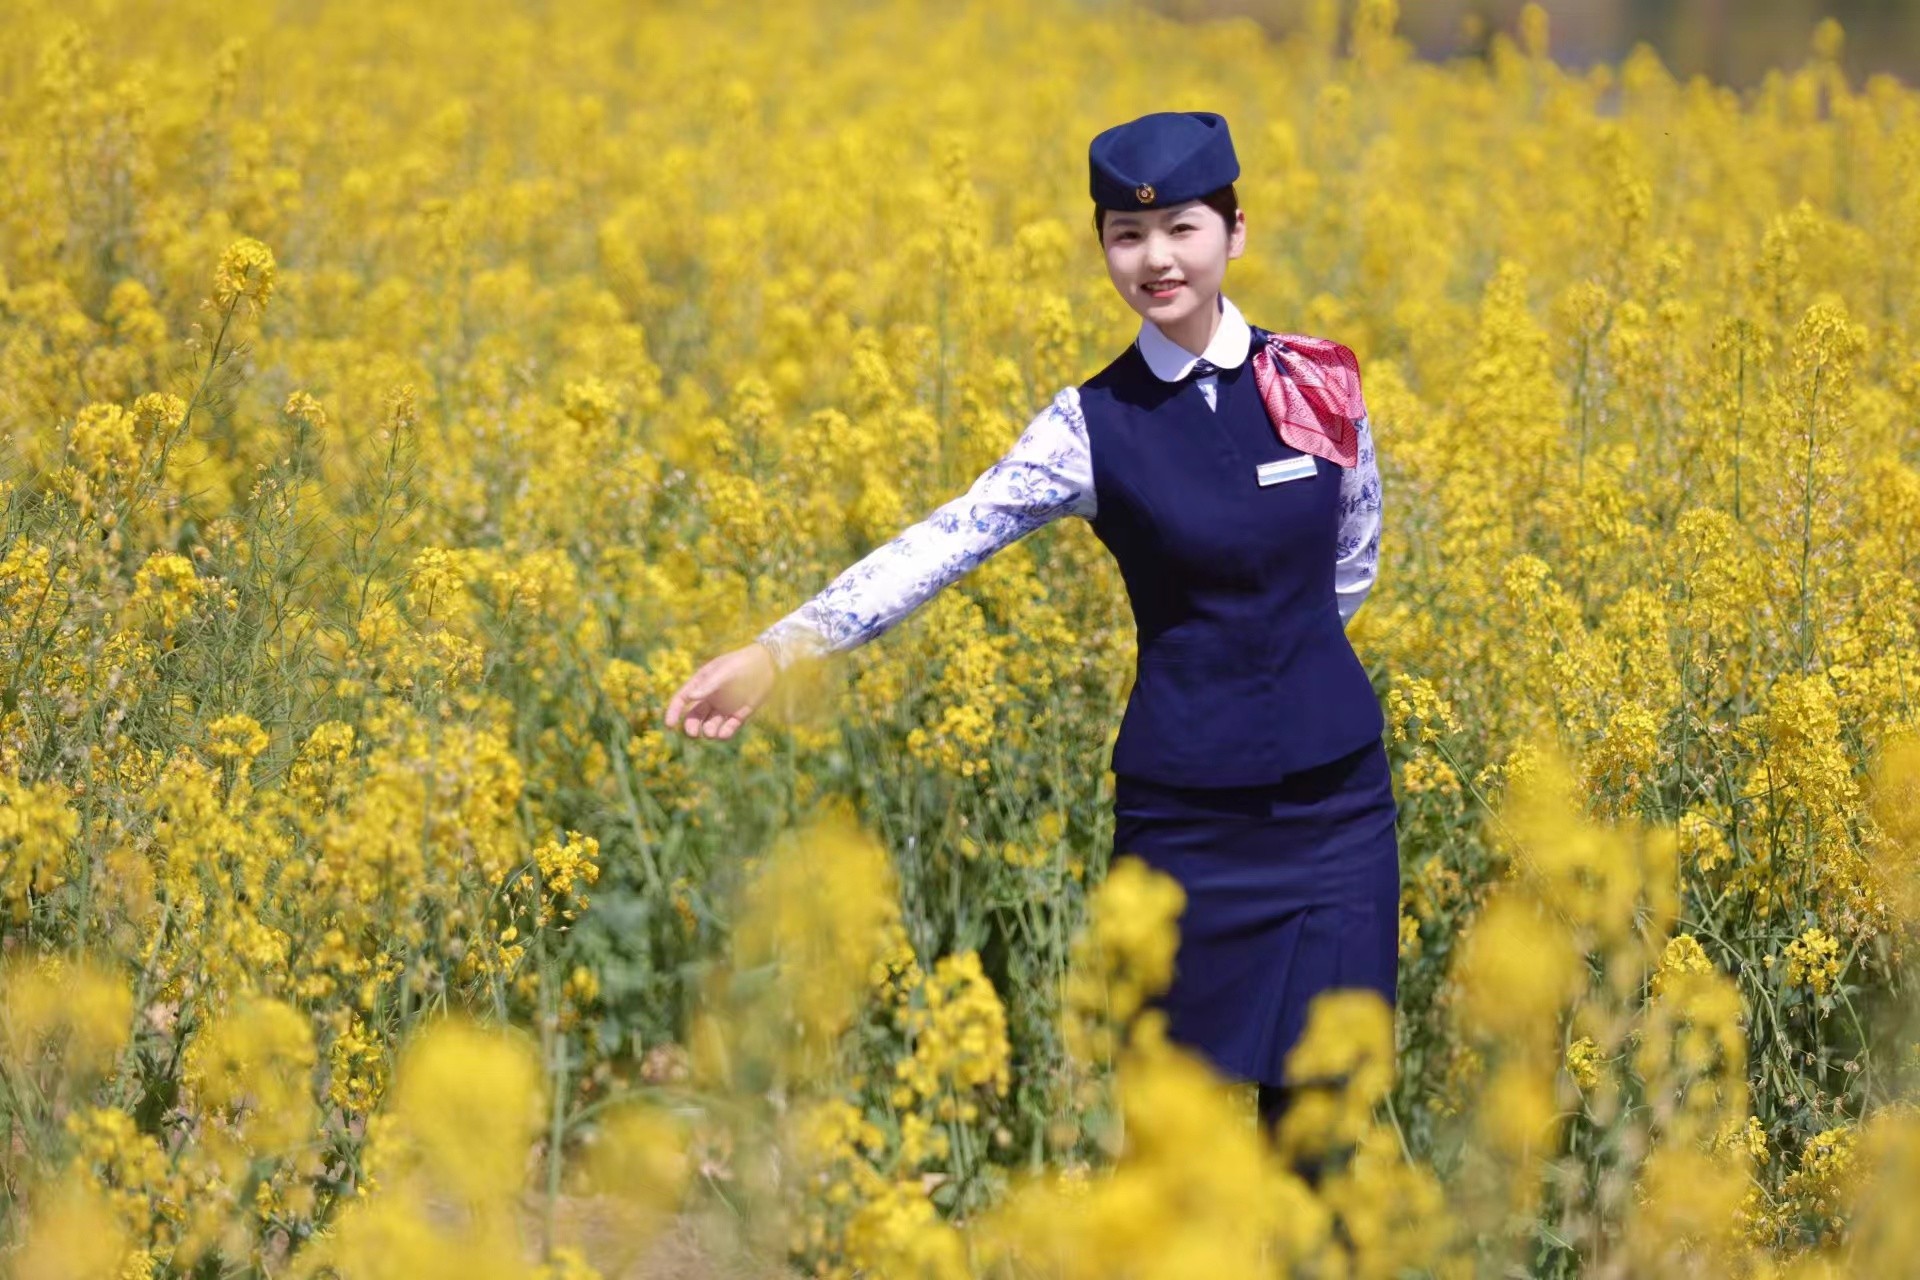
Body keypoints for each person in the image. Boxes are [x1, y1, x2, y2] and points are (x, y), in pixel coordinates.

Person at [664, 110, 1398, 1169]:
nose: (1155, 258)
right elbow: (949, 539)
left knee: (1325, 1138)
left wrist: (1286, 672)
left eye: (1183, 228)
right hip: (1187, 823)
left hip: (1336, 811)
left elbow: (1352, 558)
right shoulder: (1089, 424)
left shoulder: (1321, 378)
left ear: (1235, 232)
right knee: (1173, 1146)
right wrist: (782, 649)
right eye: (1125, 235)